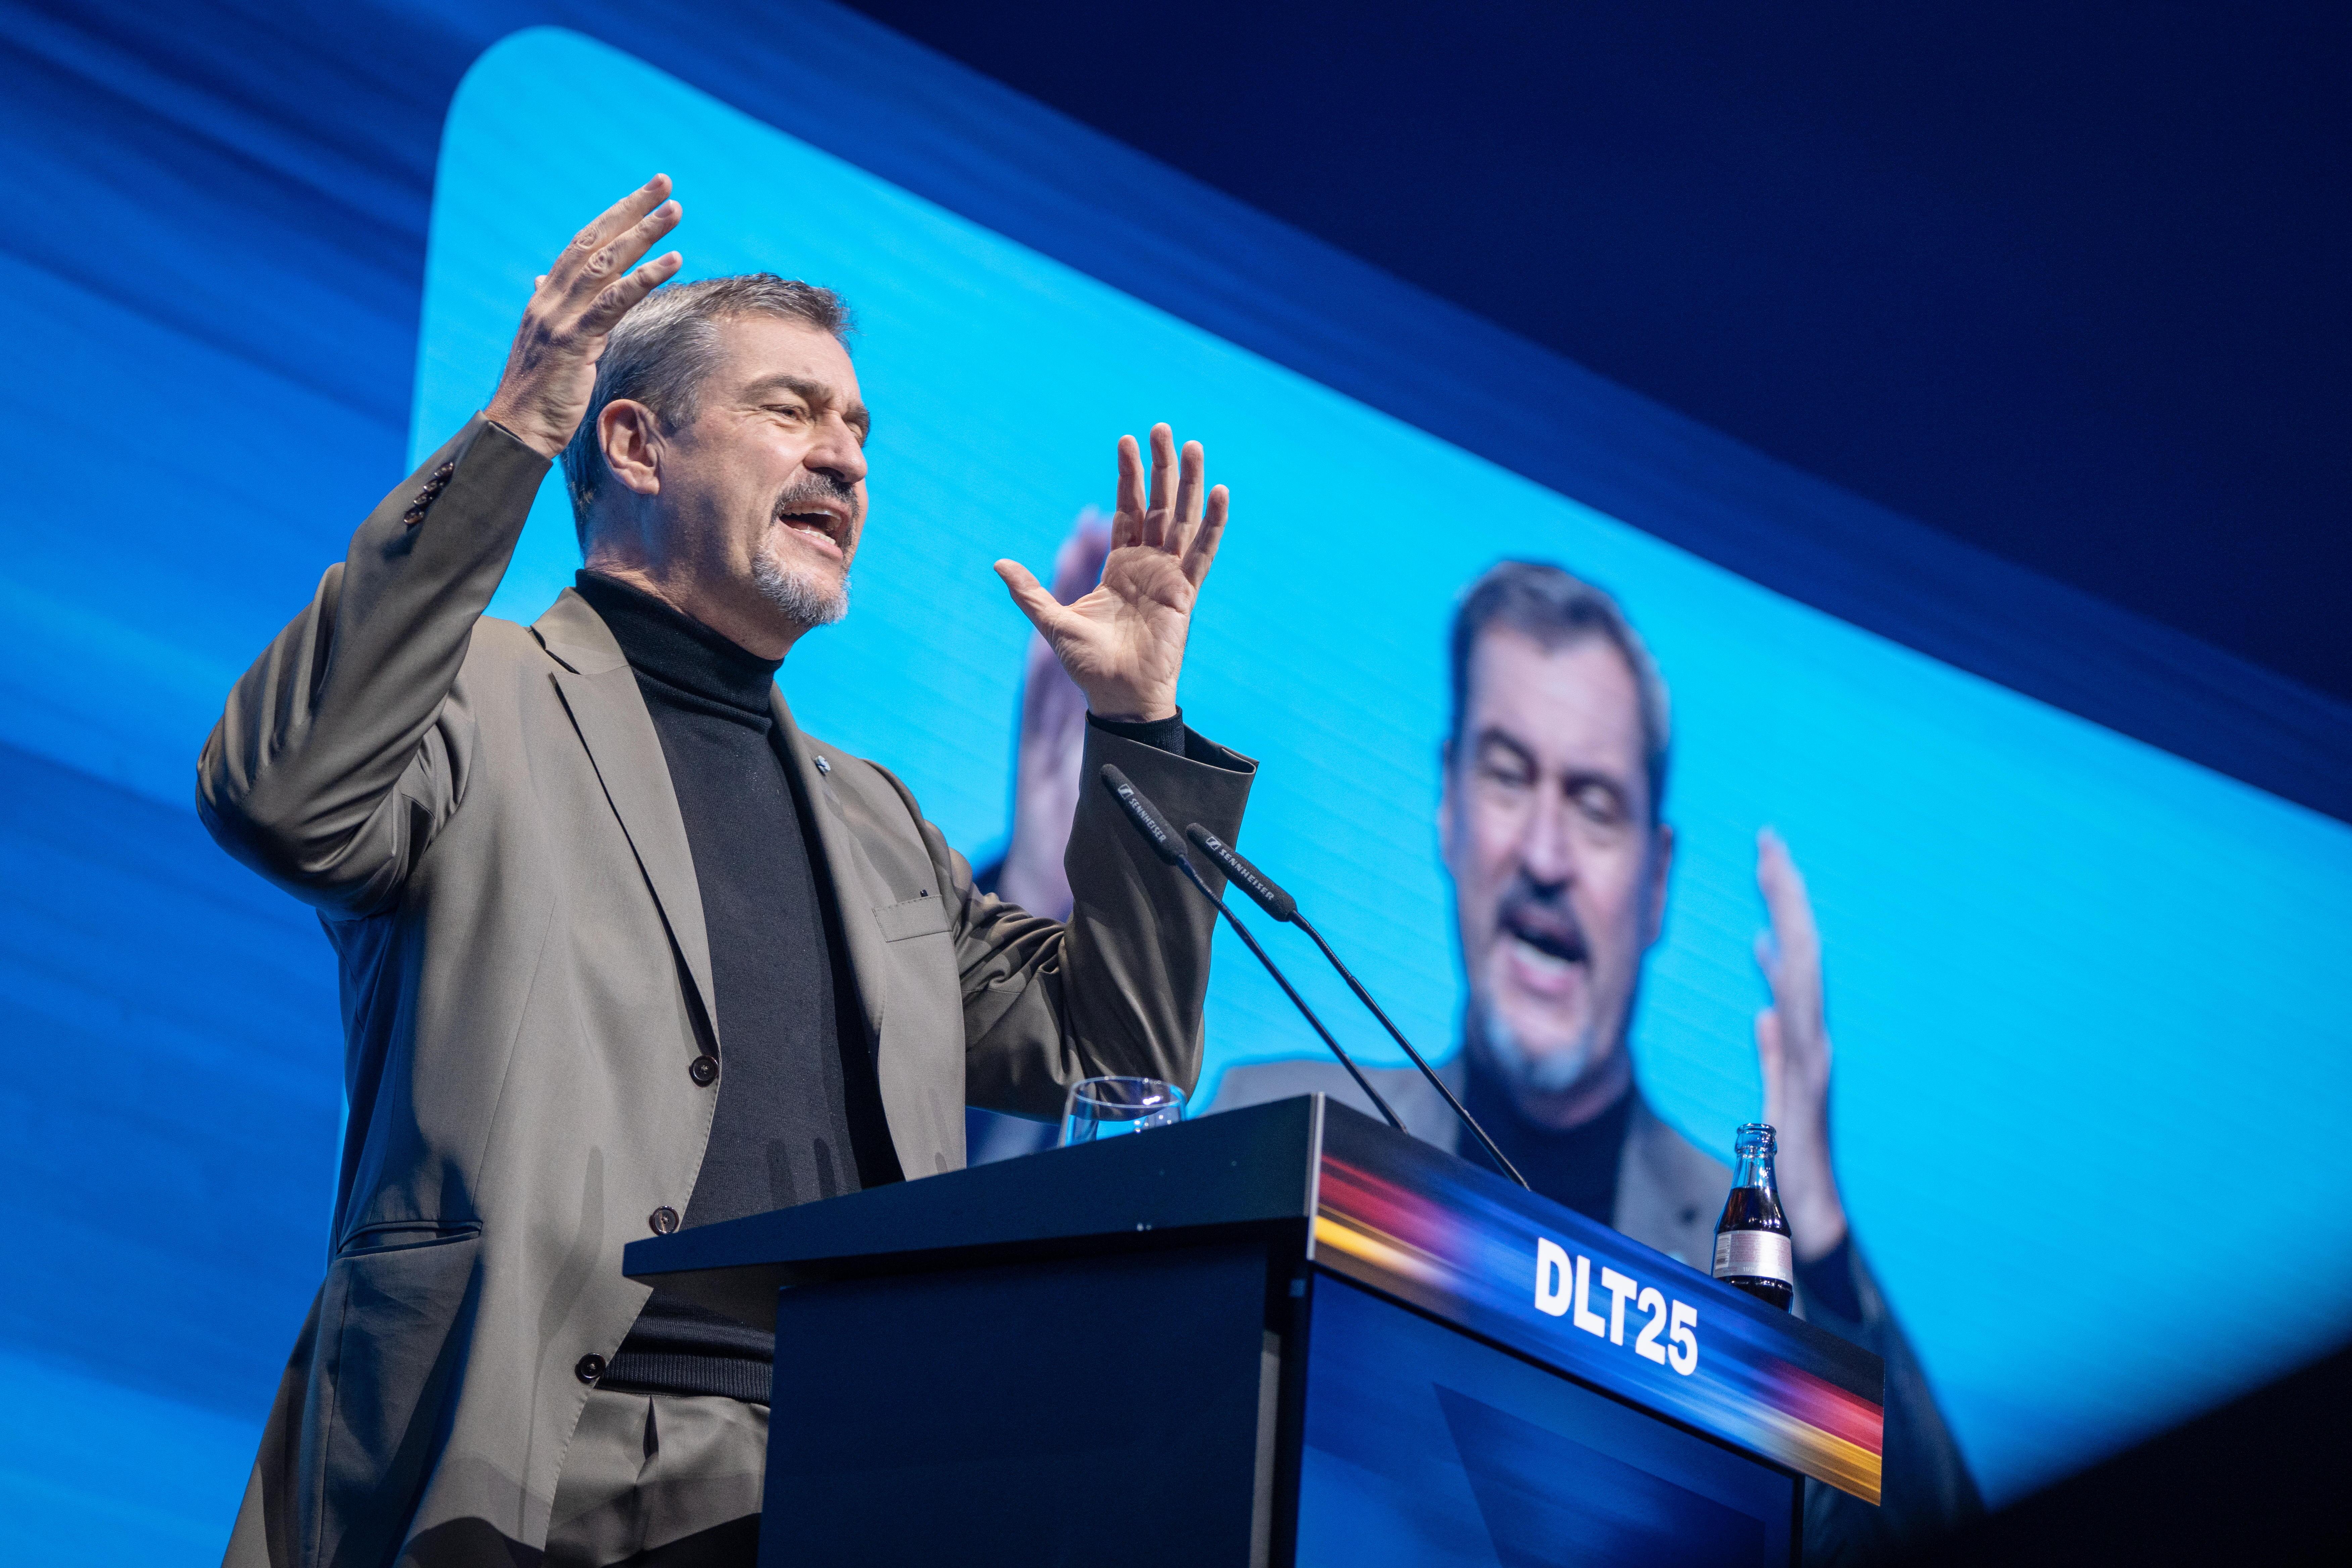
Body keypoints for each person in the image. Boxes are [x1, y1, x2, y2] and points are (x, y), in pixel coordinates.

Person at [197, 176, 1254, 1567]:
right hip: (516, 1464)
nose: (846, 461)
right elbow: (279, 795)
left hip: (846, 1476)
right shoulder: (477, 697)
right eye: (791, 411)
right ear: (634, 443)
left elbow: (1115, 1057)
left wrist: (1140, 731)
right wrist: (513, 432)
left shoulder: (878, 822)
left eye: (858, 429)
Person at [1213, 560, 1981, 1562]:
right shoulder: (1278, 1126)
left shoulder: (1755, 1265)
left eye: (1594, 804)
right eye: (1507, 775)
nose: (1544, 855)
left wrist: (1824, 1245)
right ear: (1447, 805)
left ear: (1657, 883)